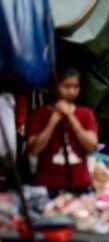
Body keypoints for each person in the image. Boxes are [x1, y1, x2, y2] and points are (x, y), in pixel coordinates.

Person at [27, 68, 98, 196]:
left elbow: (92, 146)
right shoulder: (39, 114)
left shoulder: (86, 114)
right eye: (66, 86)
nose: (71, 91)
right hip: (47, 186)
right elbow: (34, 150)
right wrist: (52, 122)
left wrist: (71, 117)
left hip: (80, 184)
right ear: (55, 87)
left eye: (75, 87)